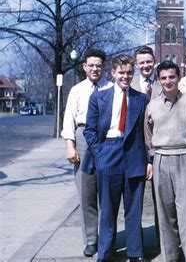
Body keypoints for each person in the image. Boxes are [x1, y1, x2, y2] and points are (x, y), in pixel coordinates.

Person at [83, 54, 153, 261]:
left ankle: (135, 252)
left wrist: (148, 160)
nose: (126, 76)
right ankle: (105, 252)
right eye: (121, 72)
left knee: (134, 208)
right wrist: (100, 154)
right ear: (113, 73)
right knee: (108, 208)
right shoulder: (98, 97)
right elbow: (90, 130)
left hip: (134, 153)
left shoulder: (140, 98)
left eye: (129, 72)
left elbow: (145, 132)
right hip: (108, 152)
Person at [144, 61, 186, 261]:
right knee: (165, 214)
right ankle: (170, 257)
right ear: (159, 80)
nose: (168, 81)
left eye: (172, 77)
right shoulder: (152, 105)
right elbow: (148, 133)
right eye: (164, 78)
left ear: (178, 78)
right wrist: (153, 156)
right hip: (161, 159)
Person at [61, 49, 112, 257]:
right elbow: (69, 119)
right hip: (83, 138)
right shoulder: (77, 90)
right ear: (84, 66)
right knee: (86, 194)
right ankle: (91, 240)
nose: (94, 69)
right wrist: (70, 145)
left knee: (108, 194)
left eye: (98, 65)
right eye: (91, 65)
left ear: (104, 67)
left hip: (106, 139)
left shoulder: (112, 88)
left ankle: (108, 239)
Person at [130, 45, 161, 244]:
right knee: (134, 197)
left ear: (154, 61)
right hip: (134, 147)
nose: (146, 65)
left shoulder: (163, 82)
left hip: (157, 145)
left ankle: (162, 237)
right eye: (142, 62)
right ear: (136, 64)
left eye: (149, 61)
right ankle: (136, 240)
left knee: (161, 196)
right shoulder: (128, 83)